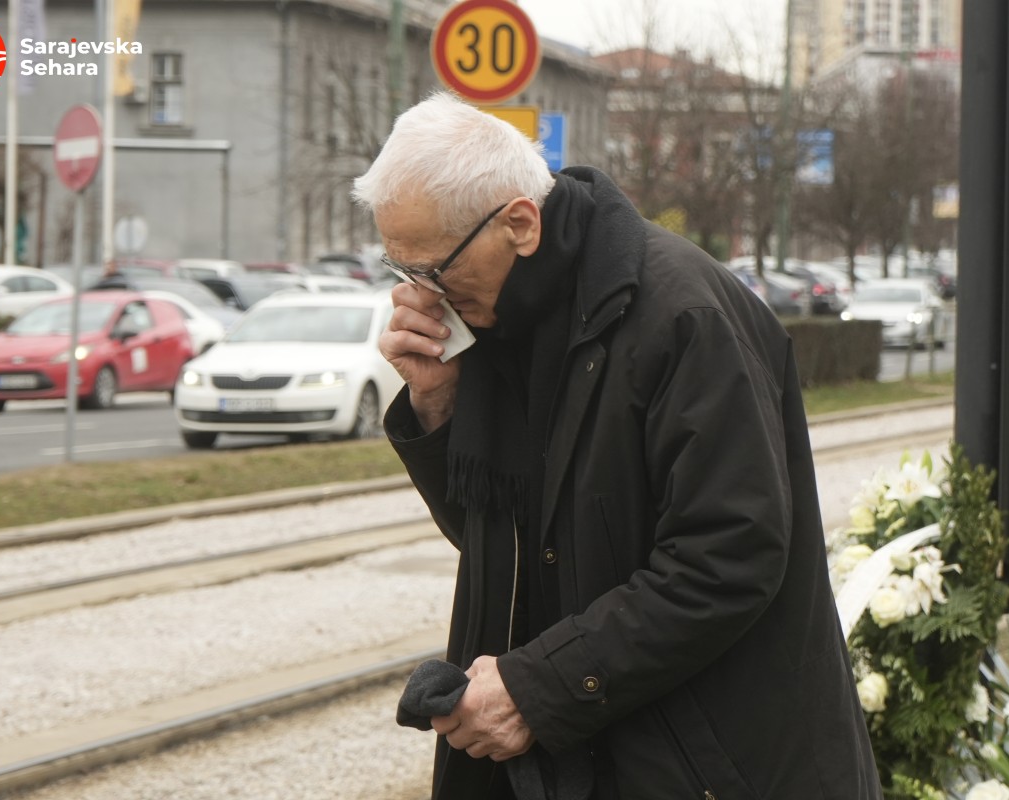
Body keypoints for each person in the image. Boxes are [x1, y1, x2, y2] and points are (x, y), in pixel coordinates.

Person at [352, 91, 882, 800]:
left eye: (431, 270)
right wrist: (437, 402)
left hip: (703, 763)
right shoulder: (494, 314)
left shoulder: (683, 315)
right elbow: (500, 544)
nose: (421, 297)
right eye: (402, 272)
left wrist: (536, 688)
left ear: (519, 223)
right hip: (578, 757)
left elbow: (727, 557)